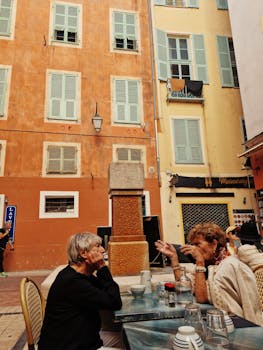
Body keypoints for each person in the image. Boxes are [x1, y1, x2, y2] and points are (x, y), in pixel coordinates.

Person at [155, 222, 263, 326]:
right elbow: (184, 287)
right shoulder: (209, 267)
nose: (194, 248)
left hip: (236, 324)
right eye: (192, 245)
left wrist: (200, 262)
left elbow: (201, 298)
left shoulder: (228, 266)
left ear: (214, 244)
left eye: (197, 244)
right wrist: (174, 258)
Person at [38, 232, 122, 350]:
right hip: (68, 346)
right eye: (98, 246)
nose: (103, 250)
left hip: (83, 339)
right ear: (83, 253)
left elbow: (108, 292)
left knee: (126, 338)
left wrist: (101, 271)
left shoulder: (81, 275)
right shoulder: (73, 282)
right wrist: (102, 267)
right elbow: (114, 302)